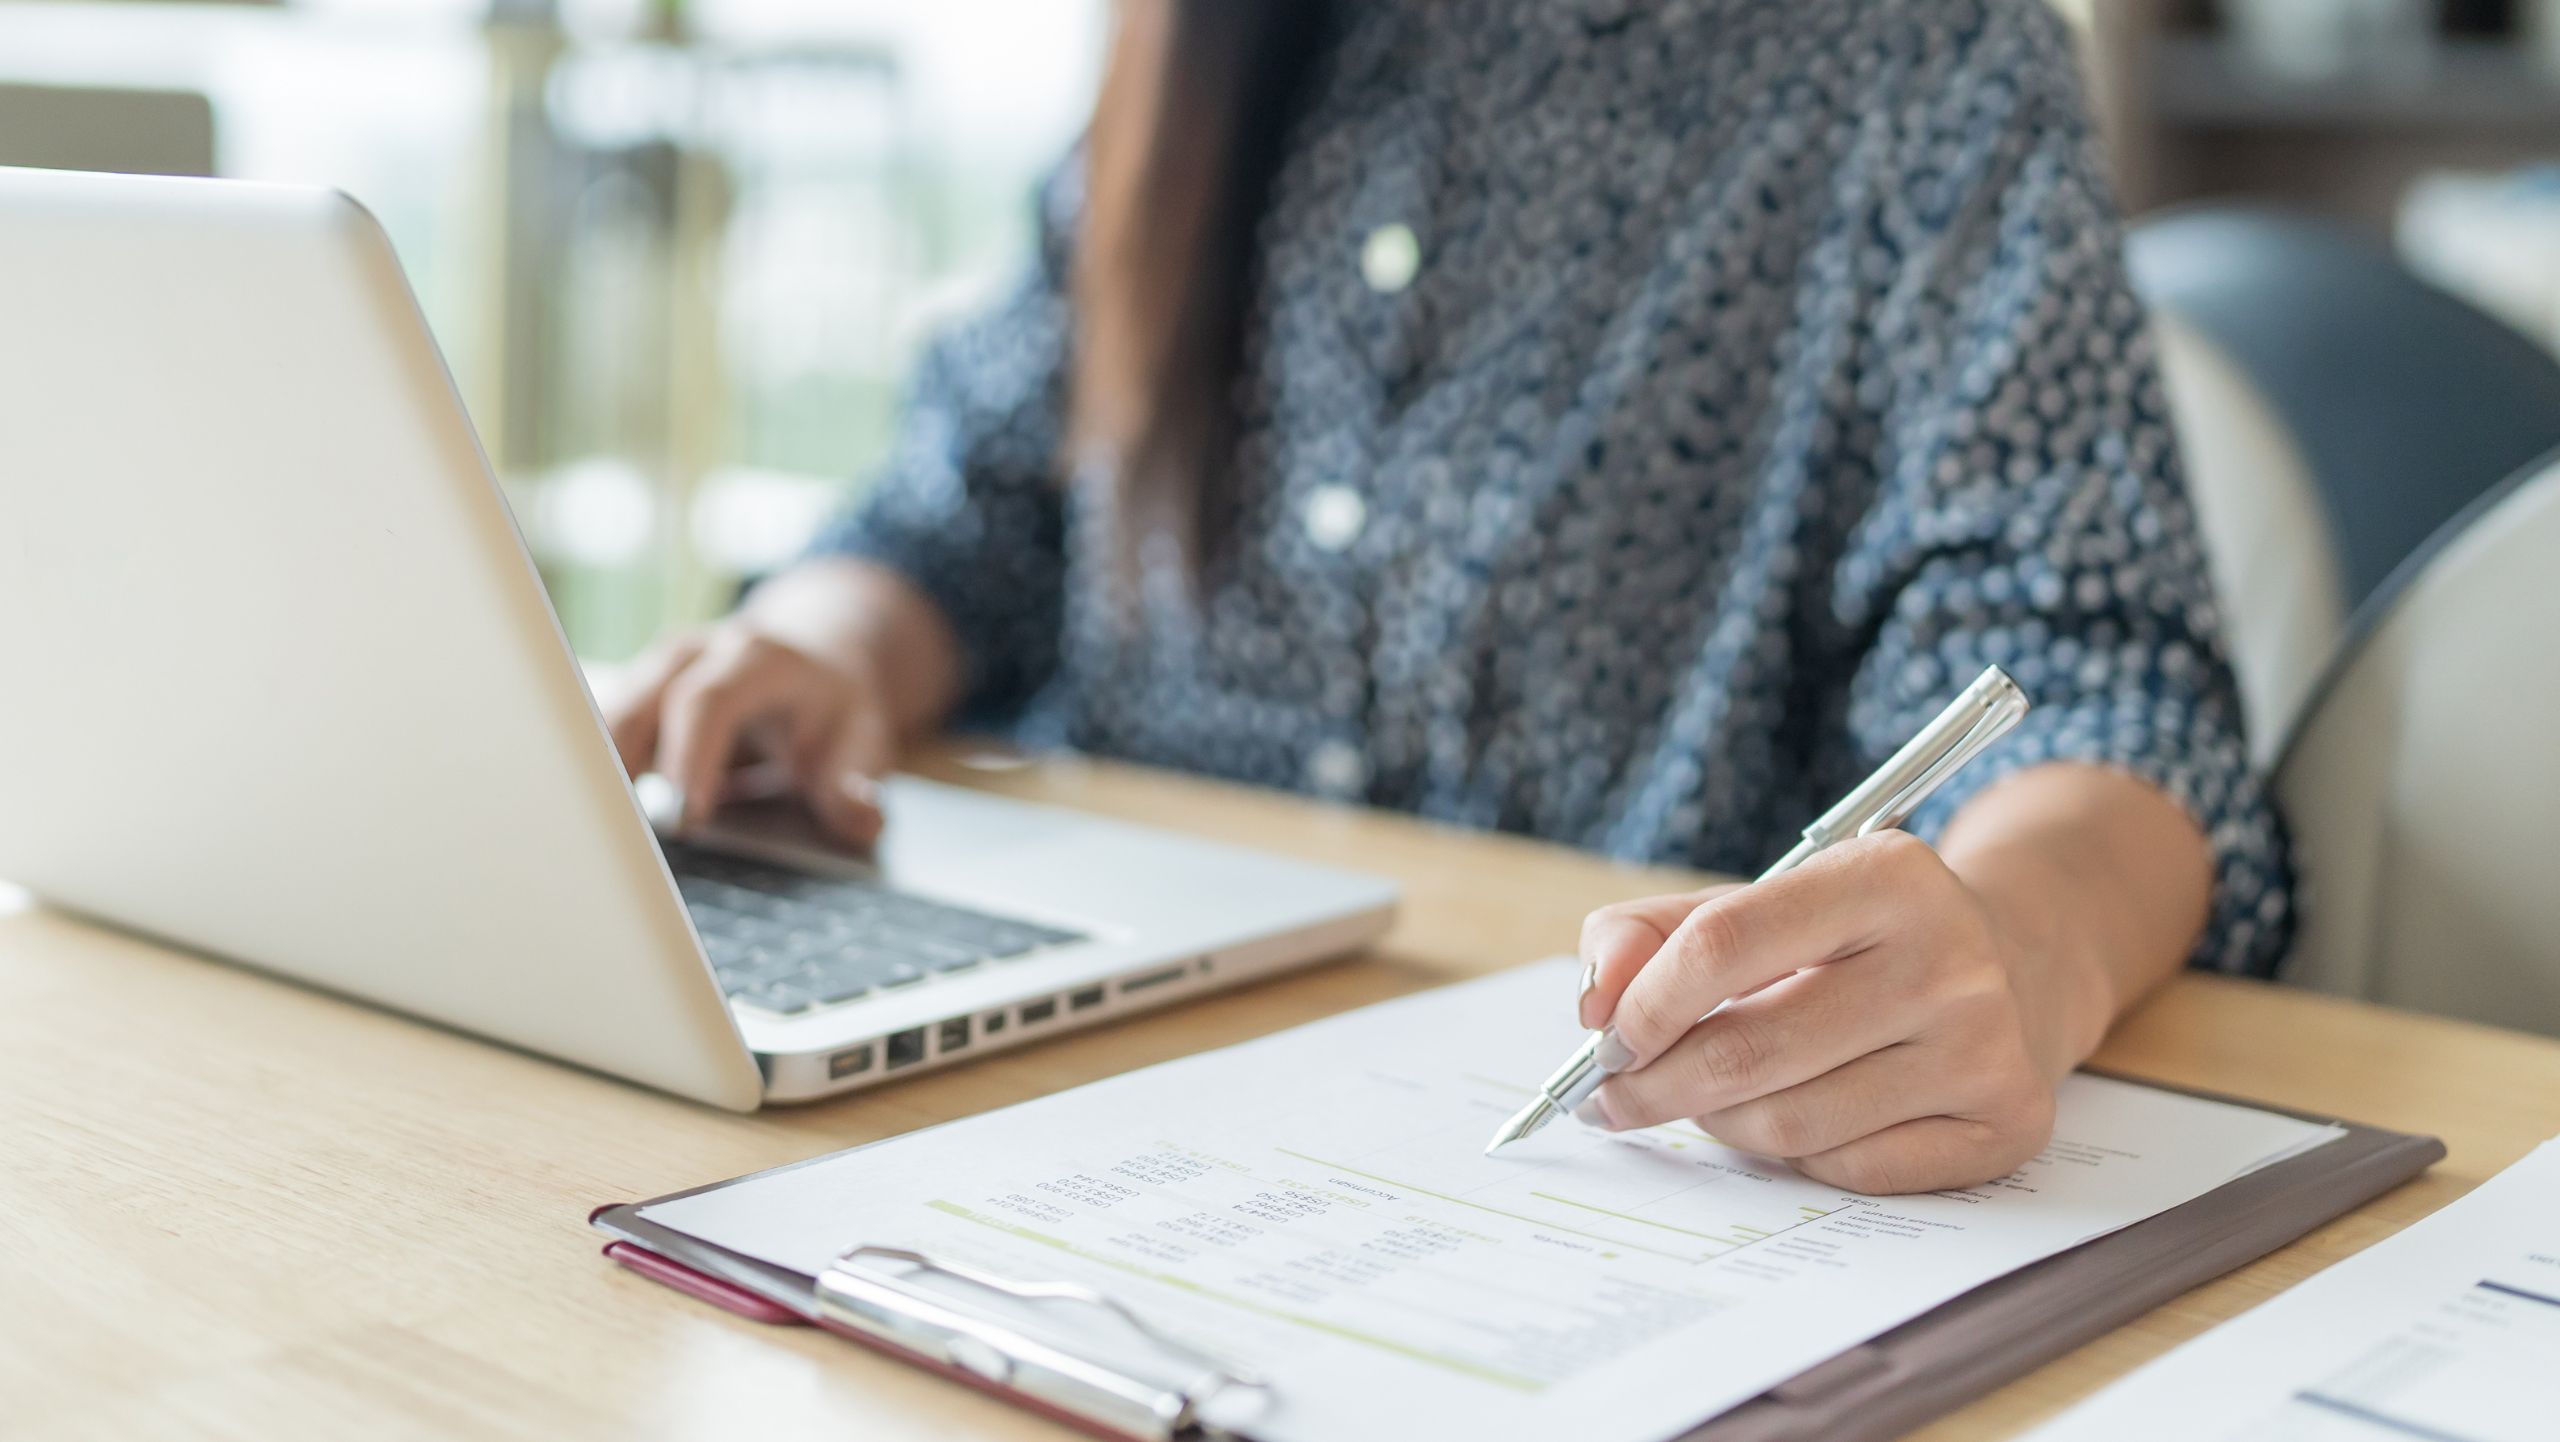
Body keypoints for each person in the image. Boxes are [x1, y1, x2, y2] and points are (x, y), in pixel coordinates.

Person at [601, 0, 2289, 1193]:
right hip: (1081, 1095)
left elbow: (2095, 680)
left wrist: (2019, 944)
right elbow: (962, 506)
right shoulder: (1199, 50)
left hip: (1628, 1145)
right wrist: (819, 647)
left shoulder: (1921, 65)